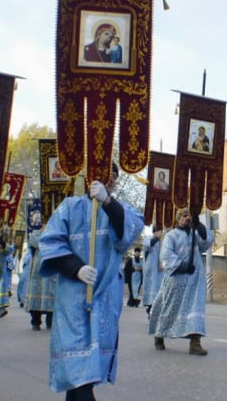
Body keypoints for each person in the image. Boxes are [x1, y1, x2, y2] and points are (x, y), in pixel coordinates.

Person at [39, 171, 144, 401]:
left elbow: (129, 233)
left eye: (112, 177)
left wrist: (107, 202)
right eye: (103, 175)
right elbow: (49, 242)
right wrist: (75, 267)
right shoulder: (69, 207)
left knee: (84, 370)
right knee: (76, 363)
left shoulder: (122, 208)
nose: (108, 181)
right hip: (73, 298)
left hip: (104, 296)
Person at [148, 208, 214, 355]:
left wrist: (199, 225)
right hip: (176, 278)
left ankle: (195, 343)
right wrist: (183, 266)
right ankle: (159, 334)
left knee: (195, 308)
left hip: (194, 279)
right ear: (178, 219)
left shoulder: (194, 234)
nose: (187, 218)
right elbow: (166, 255)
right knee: (171, 307)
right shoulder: (171, 235)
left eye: (189, 216)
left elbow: (207, 241)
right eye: (184, 216)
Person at [25, 229, 56, 331]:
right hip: (37, 270)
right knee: (35, 293)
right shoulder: (36, 230)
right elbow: (34, 241)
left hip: (51, 266)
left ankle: (50, 322)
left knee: (51, 295)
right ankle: (35, 321)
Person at [141, 227, 164, 315]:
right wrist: (156, 238)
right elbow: (148, 246)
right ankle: (150, 308)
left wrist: (163, 264)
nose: (161, 233)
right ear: (154, 232)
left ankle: (155, 309)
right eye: (159, 231)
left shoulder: (163, 241)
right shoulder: (148, 238)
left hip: (160, 271)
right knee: (152, 289)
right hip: (151, 270)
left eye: (161, 231)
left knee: (159, 291)